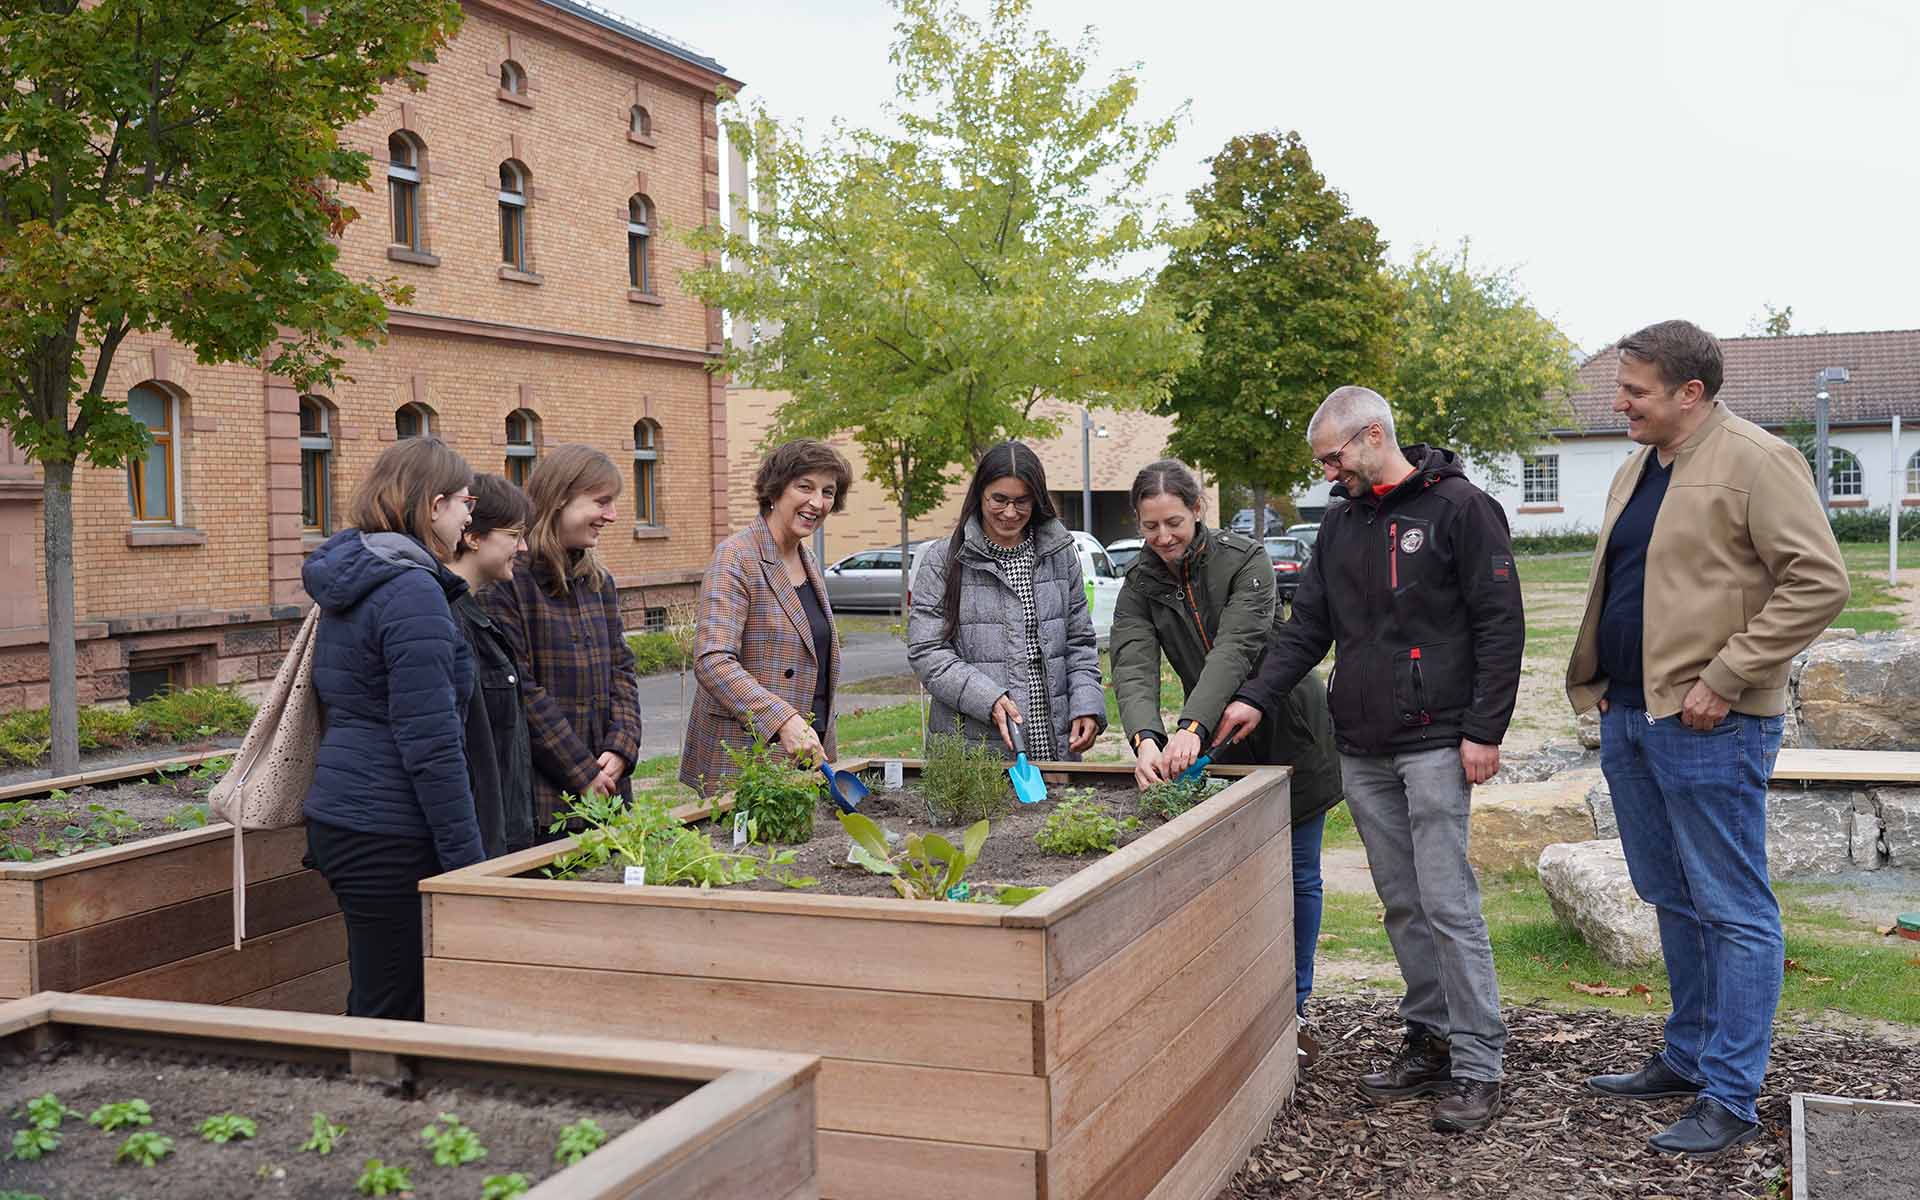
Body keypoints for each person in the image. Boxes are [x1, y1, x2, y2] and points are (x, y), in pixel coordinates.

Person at [1568, 321, 1848, 1156]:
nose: (1619, 403)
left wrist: (1725, 676)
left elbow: (1820, 581)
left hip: (1710, 723)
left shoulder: (1759, 461)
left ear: (1691, 392)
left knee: (1734, 910)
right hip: (1631, 714)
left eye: (1635, 391)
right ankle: (1687, 1056)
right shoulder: (1637, 465)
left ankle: (1731, 1091)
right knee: (1671, 896)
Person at [1216, 386, 1524, 1134]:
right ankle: (1430, 1037)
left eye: (1334, 457)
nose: (1328, 473)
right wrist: (1256, 695)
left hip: (1438, 741)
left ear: (1374, 435)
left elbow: (1500, 623)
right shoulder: (1341, 525)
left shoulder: (1461, 509)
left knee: (1448, 902)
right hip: (1361, 745)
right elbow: (1306, 628)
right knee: (1402, 902)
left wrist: (1485, 730)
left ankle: (1480, 1064)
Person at [1110, 459, 1344, 1062]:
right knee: (1230, 875)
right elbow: (1133, 661)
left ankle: (1292, 1007)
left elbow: (1237, 649)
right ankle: (1239, 1000)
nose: (1163, 538)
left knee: (1297, 875)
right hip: (1216, 741)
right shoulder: (1139, 582)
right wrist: (1144, 736)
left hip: (1287, 725)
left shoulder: (1246, 560)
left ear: (1198, 512)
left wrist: (1191, 723)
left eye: (1174, 523)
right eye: (1150, 526)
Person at [301, 436, 485, 1021]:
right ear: (432, 506)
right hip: (387, 829)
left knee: (382, 991)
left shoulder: (360, 574)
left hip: (349, 817)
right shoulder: (411, 591)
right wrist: (468, 864)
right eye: (464, 501)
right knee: (395, 1007)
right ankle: (365, 1110)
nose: (468, 516)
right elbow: (430, 741)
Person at [908, 442, 1105, 760]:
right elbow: (926, 650)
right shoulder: (942, 559)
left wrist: (1086, 703)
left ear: (1037, 499)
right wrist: (986, 697)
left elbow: (1079, 642)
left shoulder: (1059, 555)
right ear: (980, 495)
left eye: (1022, 501)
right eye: (999, 499)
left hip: (1054, 740)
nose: (1010, 513)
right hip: (975, 748)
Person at [680, 439, 853, 795]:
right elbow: (713, 660)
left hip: (805, 757)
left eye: (828, 492)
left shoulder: (808, 562)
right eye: (804, 487)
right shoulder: (736, 557)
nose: (817, 502)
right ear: (775, 490)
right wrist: (783, 720)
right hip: (744, 759)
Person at [487, 445, 642, 829]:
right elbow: (520, 690)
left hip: (610, 792)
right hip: (544, 804)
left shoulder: (597, 581)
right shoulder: (507, 582)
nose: (611, 515)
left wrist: (621, 747)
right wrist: (581, 771)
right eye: (601, 502)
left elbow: (622, 670)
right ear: (559, 499)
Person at [445, 473, 535, 857]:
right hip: (475, 846)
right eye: (515, 535)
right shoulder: (450, 621)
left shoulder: (475, 614)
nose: (525, 547)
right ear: (473, 537)